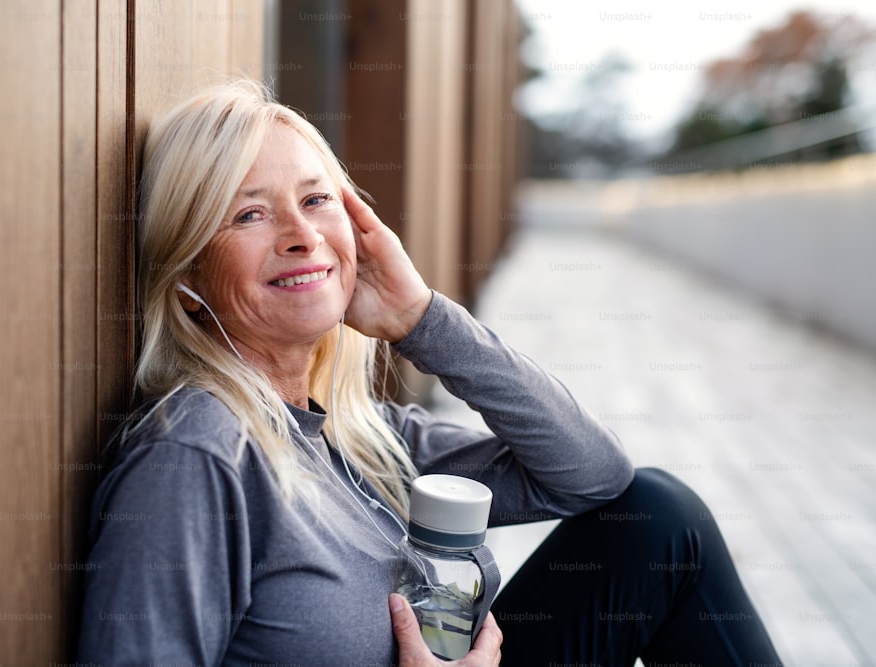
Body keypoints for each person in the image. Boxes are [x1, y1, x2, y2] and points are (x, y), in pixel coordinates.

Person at [77, 80, 783, 666]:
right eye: (249, 213)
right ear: (188, 272)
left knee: (658, 518)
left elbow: (593, 474)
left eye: (317, 199)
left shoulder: (358, 437)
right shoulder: (198, 454)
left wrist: (422, 319)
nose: (301, 233)